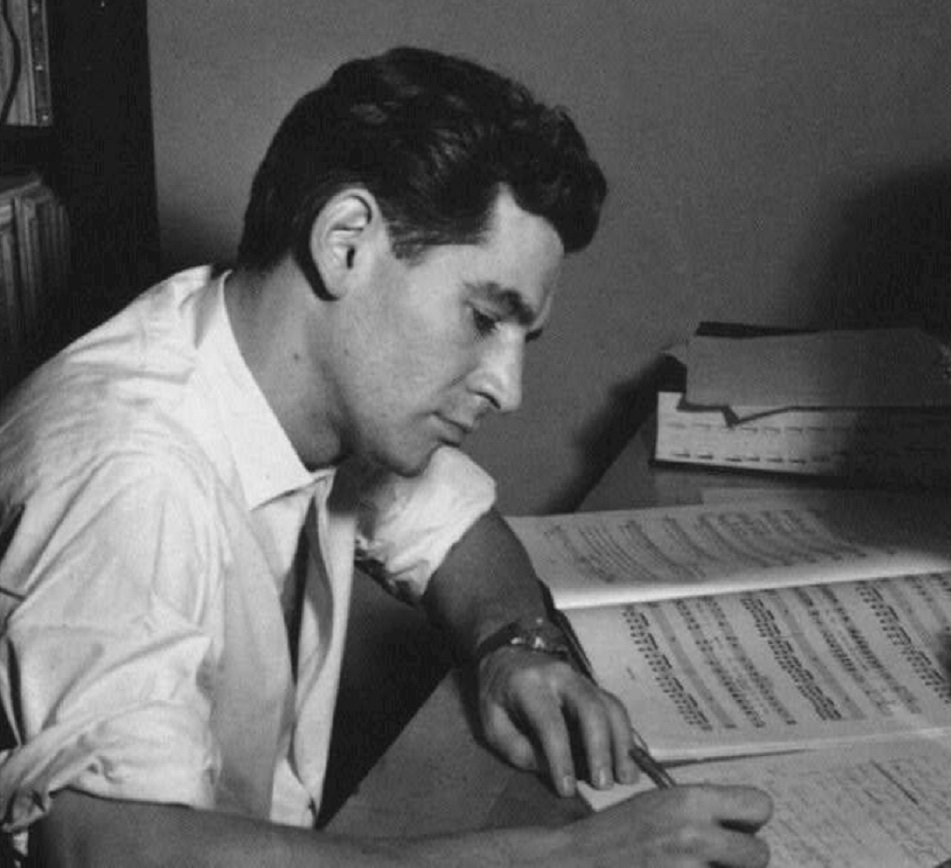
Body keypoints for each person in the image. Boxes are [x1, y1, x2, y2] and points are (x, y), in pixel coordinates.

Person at [0, 46, 772, 867]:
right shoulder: (131, 473)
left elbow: (462, 535)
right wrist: (563, 859)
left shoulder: (278, 361)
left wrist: (516, 646)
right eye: (483, 317)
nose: (508, 387)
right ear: (347, 244)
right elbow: (110, 850)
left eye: (523, 335)